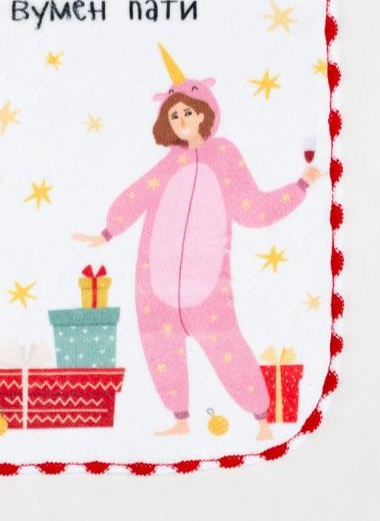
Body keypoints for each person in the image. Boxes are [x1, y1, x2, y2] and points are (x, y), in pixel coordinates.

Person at [73, 45, 321, 440]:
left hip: (207, 284)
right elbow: (137, 194)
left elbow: (251, 207)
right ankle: (180, 419)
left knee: (227, 345)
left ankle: (261, 417)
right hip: (155, 278)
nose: (182, 120)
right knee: (160, 346)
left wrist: (300, 187)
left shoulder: (223, 155)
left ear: (204, 113)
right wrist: (107, 231)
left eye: (188, 112)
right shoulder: (170, 162)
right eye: (174, 116)